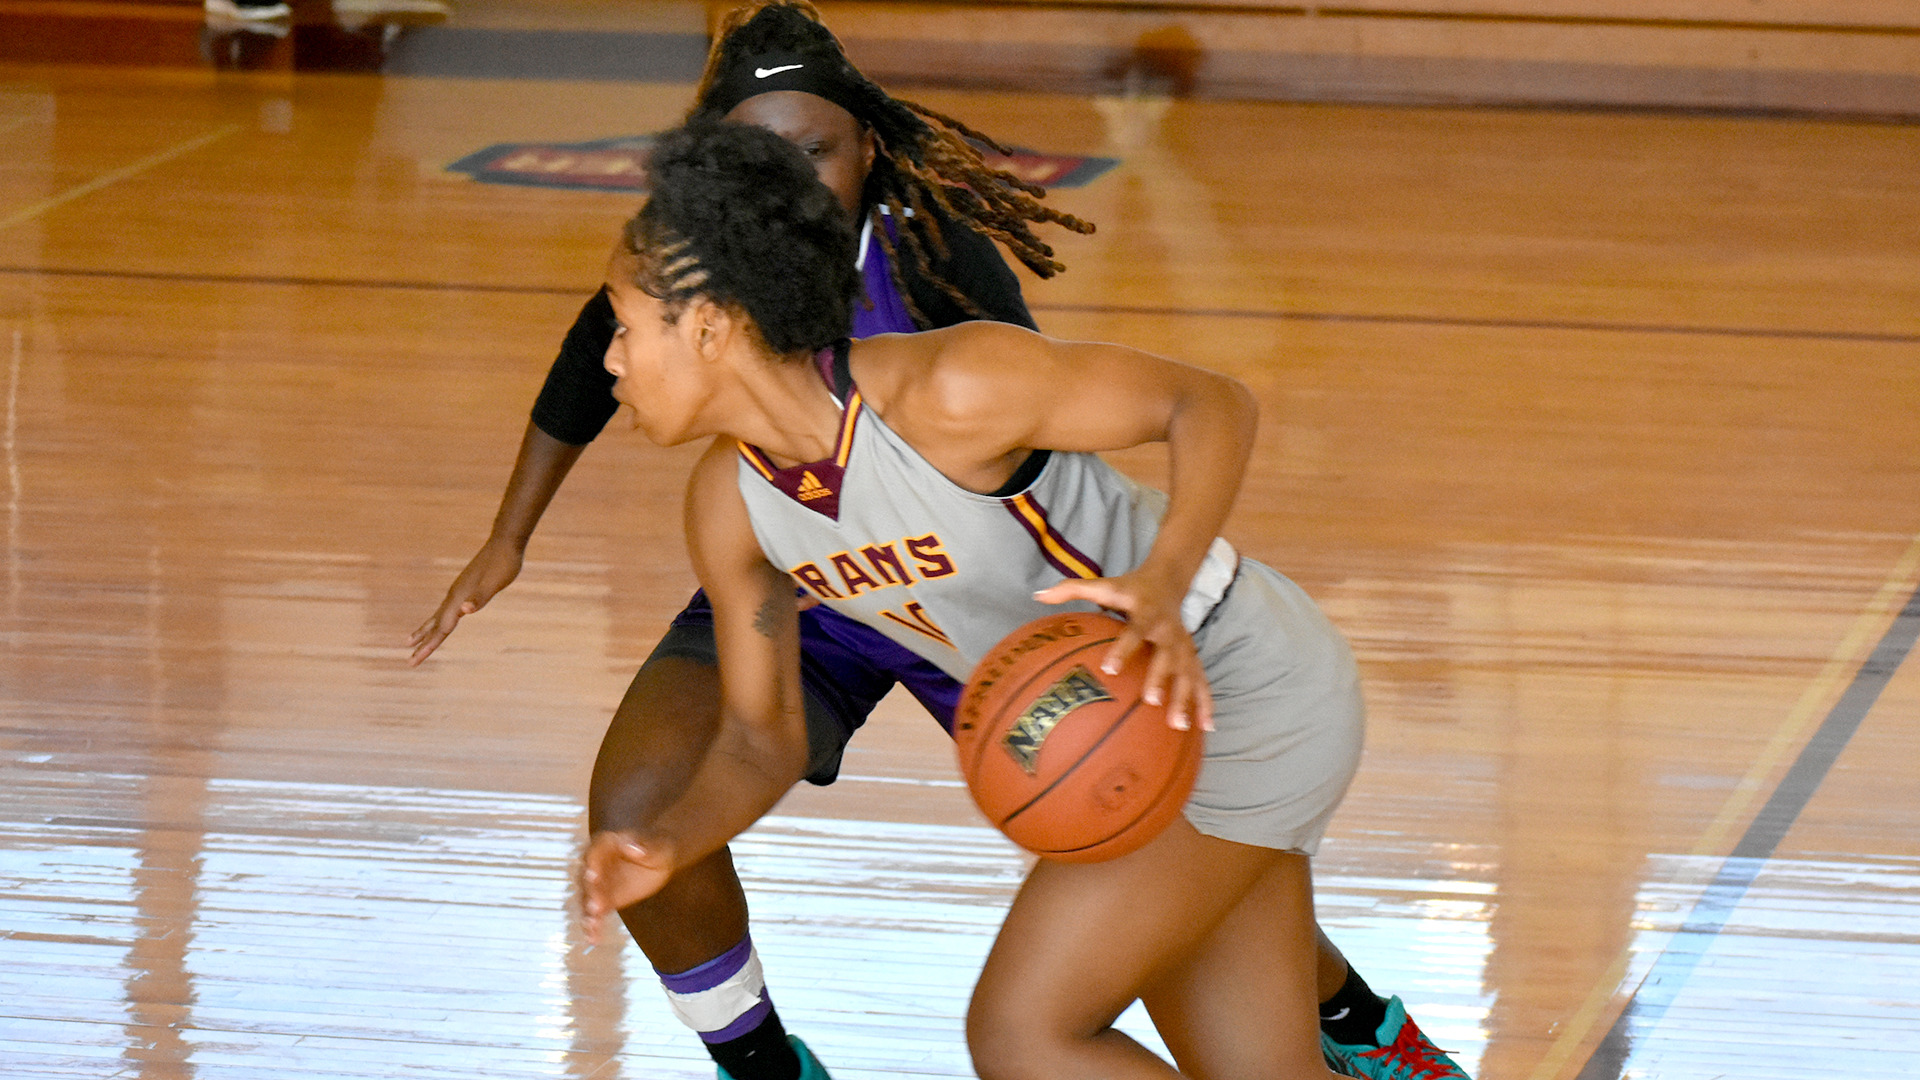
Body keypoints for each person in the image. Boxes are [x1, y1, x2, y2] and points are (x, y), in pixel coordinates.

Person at [413, 5, 1461, 1079]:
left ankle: (1365, 1023)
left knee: (1023, 1034)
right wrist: (668, 845)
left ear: (715, 327)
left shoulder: (949, 382)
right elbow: (758, 738)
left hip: (1232, 677)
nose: (614, 363)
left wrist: (1161, 578)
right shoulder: (728, 506)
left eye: (629, 332)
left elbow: (1213, 403)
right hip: (1129, 708)